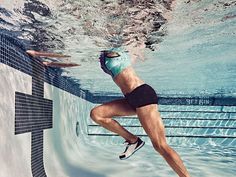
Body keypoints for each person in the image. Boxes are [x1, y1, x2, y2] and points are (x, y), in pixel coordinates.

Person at [90, 47, 190, 177]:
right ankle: (133, 140)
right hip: (131, 98)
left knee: (160, 145)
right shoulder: (118, 52)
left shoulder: (116, 49)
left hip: (142, 94)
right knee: (96, 114)